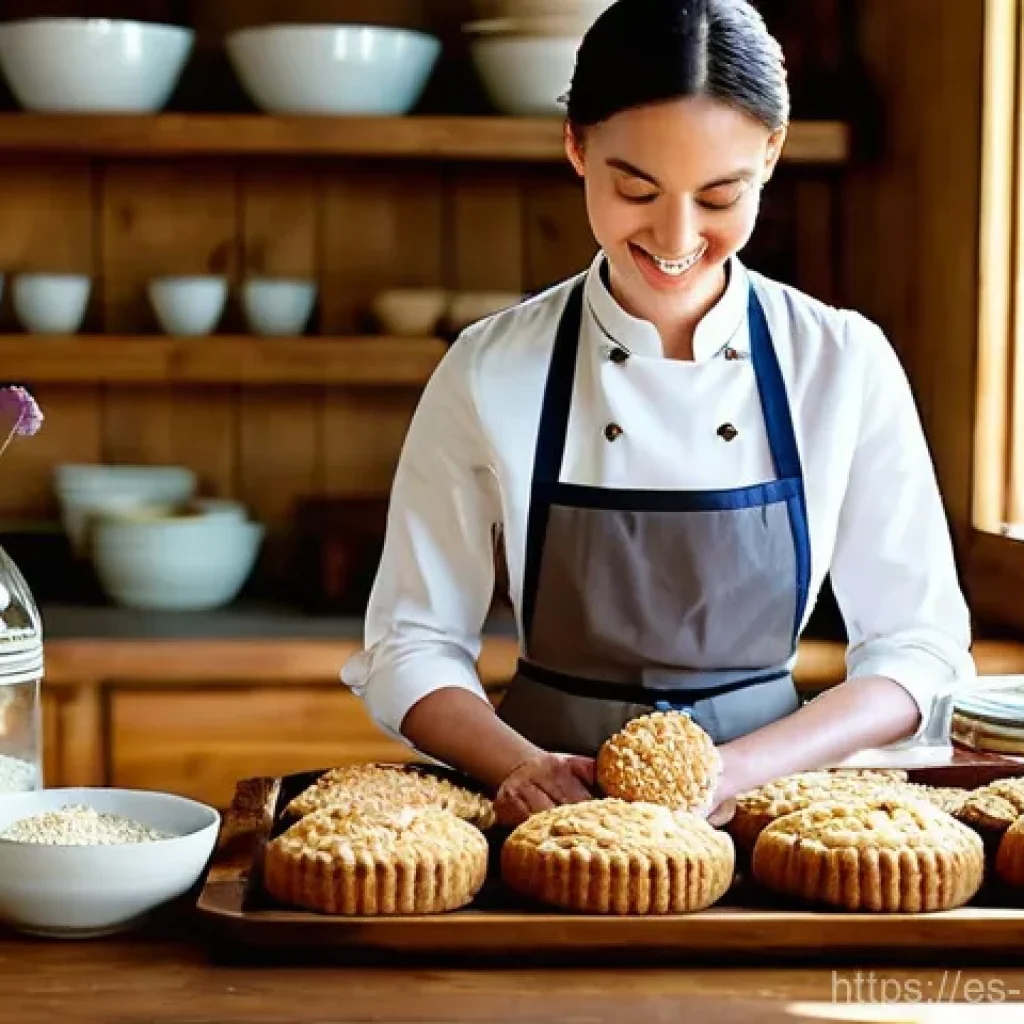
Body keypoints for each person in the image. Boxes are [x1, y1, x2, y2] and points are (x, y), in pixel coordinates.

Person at [341, 0, 975, 827]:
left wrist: (740, 769)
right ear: (576, 145)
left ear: (773, 155)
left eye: (720, 196)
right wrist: (522, 768)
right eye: (635, 188)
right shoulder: (489, 368)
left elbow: (919, 647)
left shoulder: (841, 362)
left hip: (773, 810)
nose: (677, 235)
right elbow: (410, 644)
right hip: (549, 818)